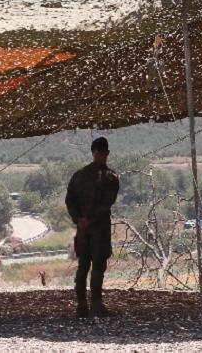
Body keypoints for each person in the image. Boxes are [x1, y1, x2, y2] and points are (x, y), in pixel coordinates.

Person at [65, 136, 120, 317]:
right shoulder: (111, 177)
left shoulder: (79, 175)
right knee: (97, 267)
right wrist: (89, 220)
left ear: (93, 152)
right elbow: (106, 204)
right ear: (107, 153)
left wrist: (79, 219)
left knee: (83, 266)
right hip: (99, 230)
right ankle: (95, 305)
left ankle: (82, 305)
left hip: (83, 230)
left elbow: (70, 200)